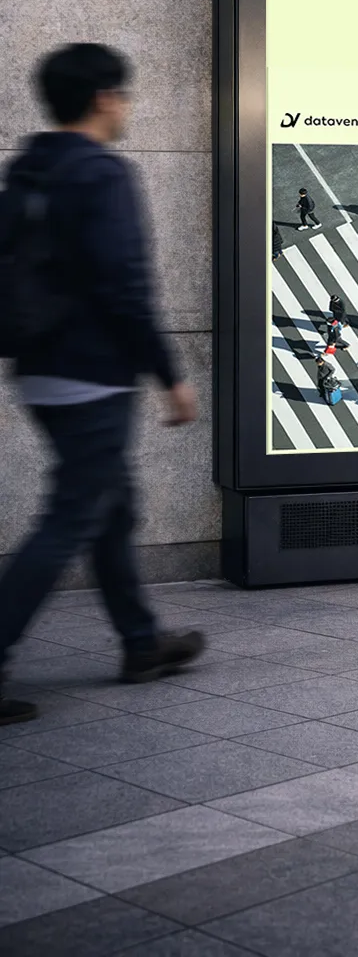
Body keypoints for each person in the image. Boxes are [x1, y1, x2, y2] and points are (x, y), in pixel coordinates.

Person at [0, 44, 201, 724]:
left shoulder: (27, 170)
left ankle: (142, 643)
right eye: (125, 95)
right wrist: (171, 376)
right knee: (69, 519)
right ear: (103, 99)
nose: (127, 107)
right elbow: (125, 286)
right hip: (93, 375)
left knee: (109, 508)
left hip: (38, 370)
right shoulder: (101, 174)